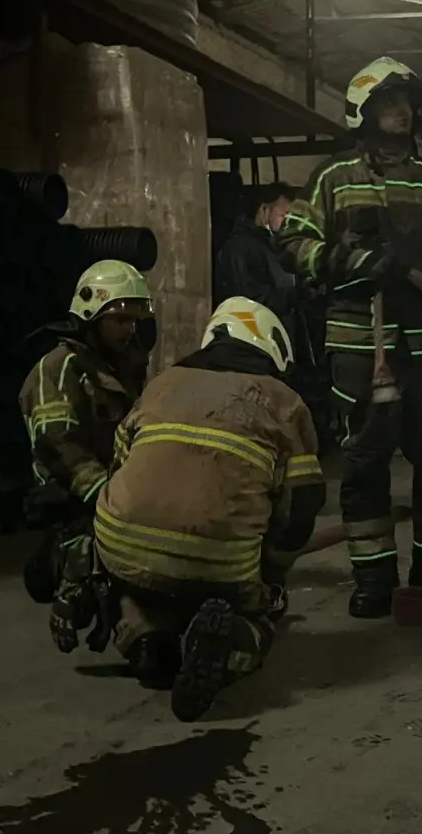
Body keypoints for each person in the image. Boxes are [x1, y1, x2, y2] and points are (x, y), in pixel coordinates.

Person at [279, 55, 422, 619]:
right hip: (360, 346)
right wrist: (348, 260)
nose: (400, 112)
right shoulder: (334, 179)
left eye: (406, 104)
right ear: (364, 111)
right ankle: (374, 579)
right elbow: (294, 244)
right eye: (388, 103)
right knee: (364, 465)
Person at [48, 297, 326, 723]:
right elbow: (305, 503)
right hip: (220, 559)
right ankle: (235, 637)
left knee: (137, 578)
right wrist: (269, 572)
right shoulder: (285, 401)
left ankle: (144, 641)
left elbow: (120, 466)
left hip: (122, 543)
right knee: (260, 613)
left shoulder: (162, 382)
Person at [18, 260, 155, 604]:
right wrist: (108, 497)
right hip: (75, 500)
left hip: (117, 494)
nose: (130, 330)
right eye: (121, 320)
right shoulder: (59, 368)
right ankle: (63, 566)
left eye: (135, 321)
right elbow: (59, 446)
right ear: (92, 316)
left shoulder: (122, 369)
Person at [215, 182, 298, 327]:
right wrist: (293, 294)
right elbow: (249, 299)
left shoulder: (275, 245)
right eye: (282, 215)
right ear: (264, 210)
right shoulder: (240, 247)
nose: (287, 222)